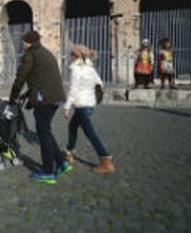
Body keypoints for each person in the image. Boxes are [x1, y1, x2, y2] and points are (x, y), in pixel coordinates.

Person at [9, 30, 71, 184]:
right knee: (46, 131)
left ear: (27, 42)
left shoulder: (30, 54)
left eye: (23, 41)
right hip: (56, 96)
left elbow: (20, 78)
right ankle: (62, 162)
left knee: (43, 134)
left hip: (45, 99)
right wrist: (25, 95)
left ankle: (48, 171)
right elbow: (39, 77)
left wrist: (13, 97)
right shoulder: (45, 52)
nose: (22, 44)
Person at [62, 45, 114, 174]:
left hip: (81, 105)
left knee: (90, 134)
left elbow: (73, 89)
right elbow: (100, 83)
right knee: (72, 126)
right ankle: (69, 152)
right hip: (90, 104)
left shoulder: (76, 70)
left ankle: (106, 159)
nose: (70, 57)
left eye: (72, 54)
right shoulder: (90, 69)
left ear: (77, 56)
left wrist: (67, 107)